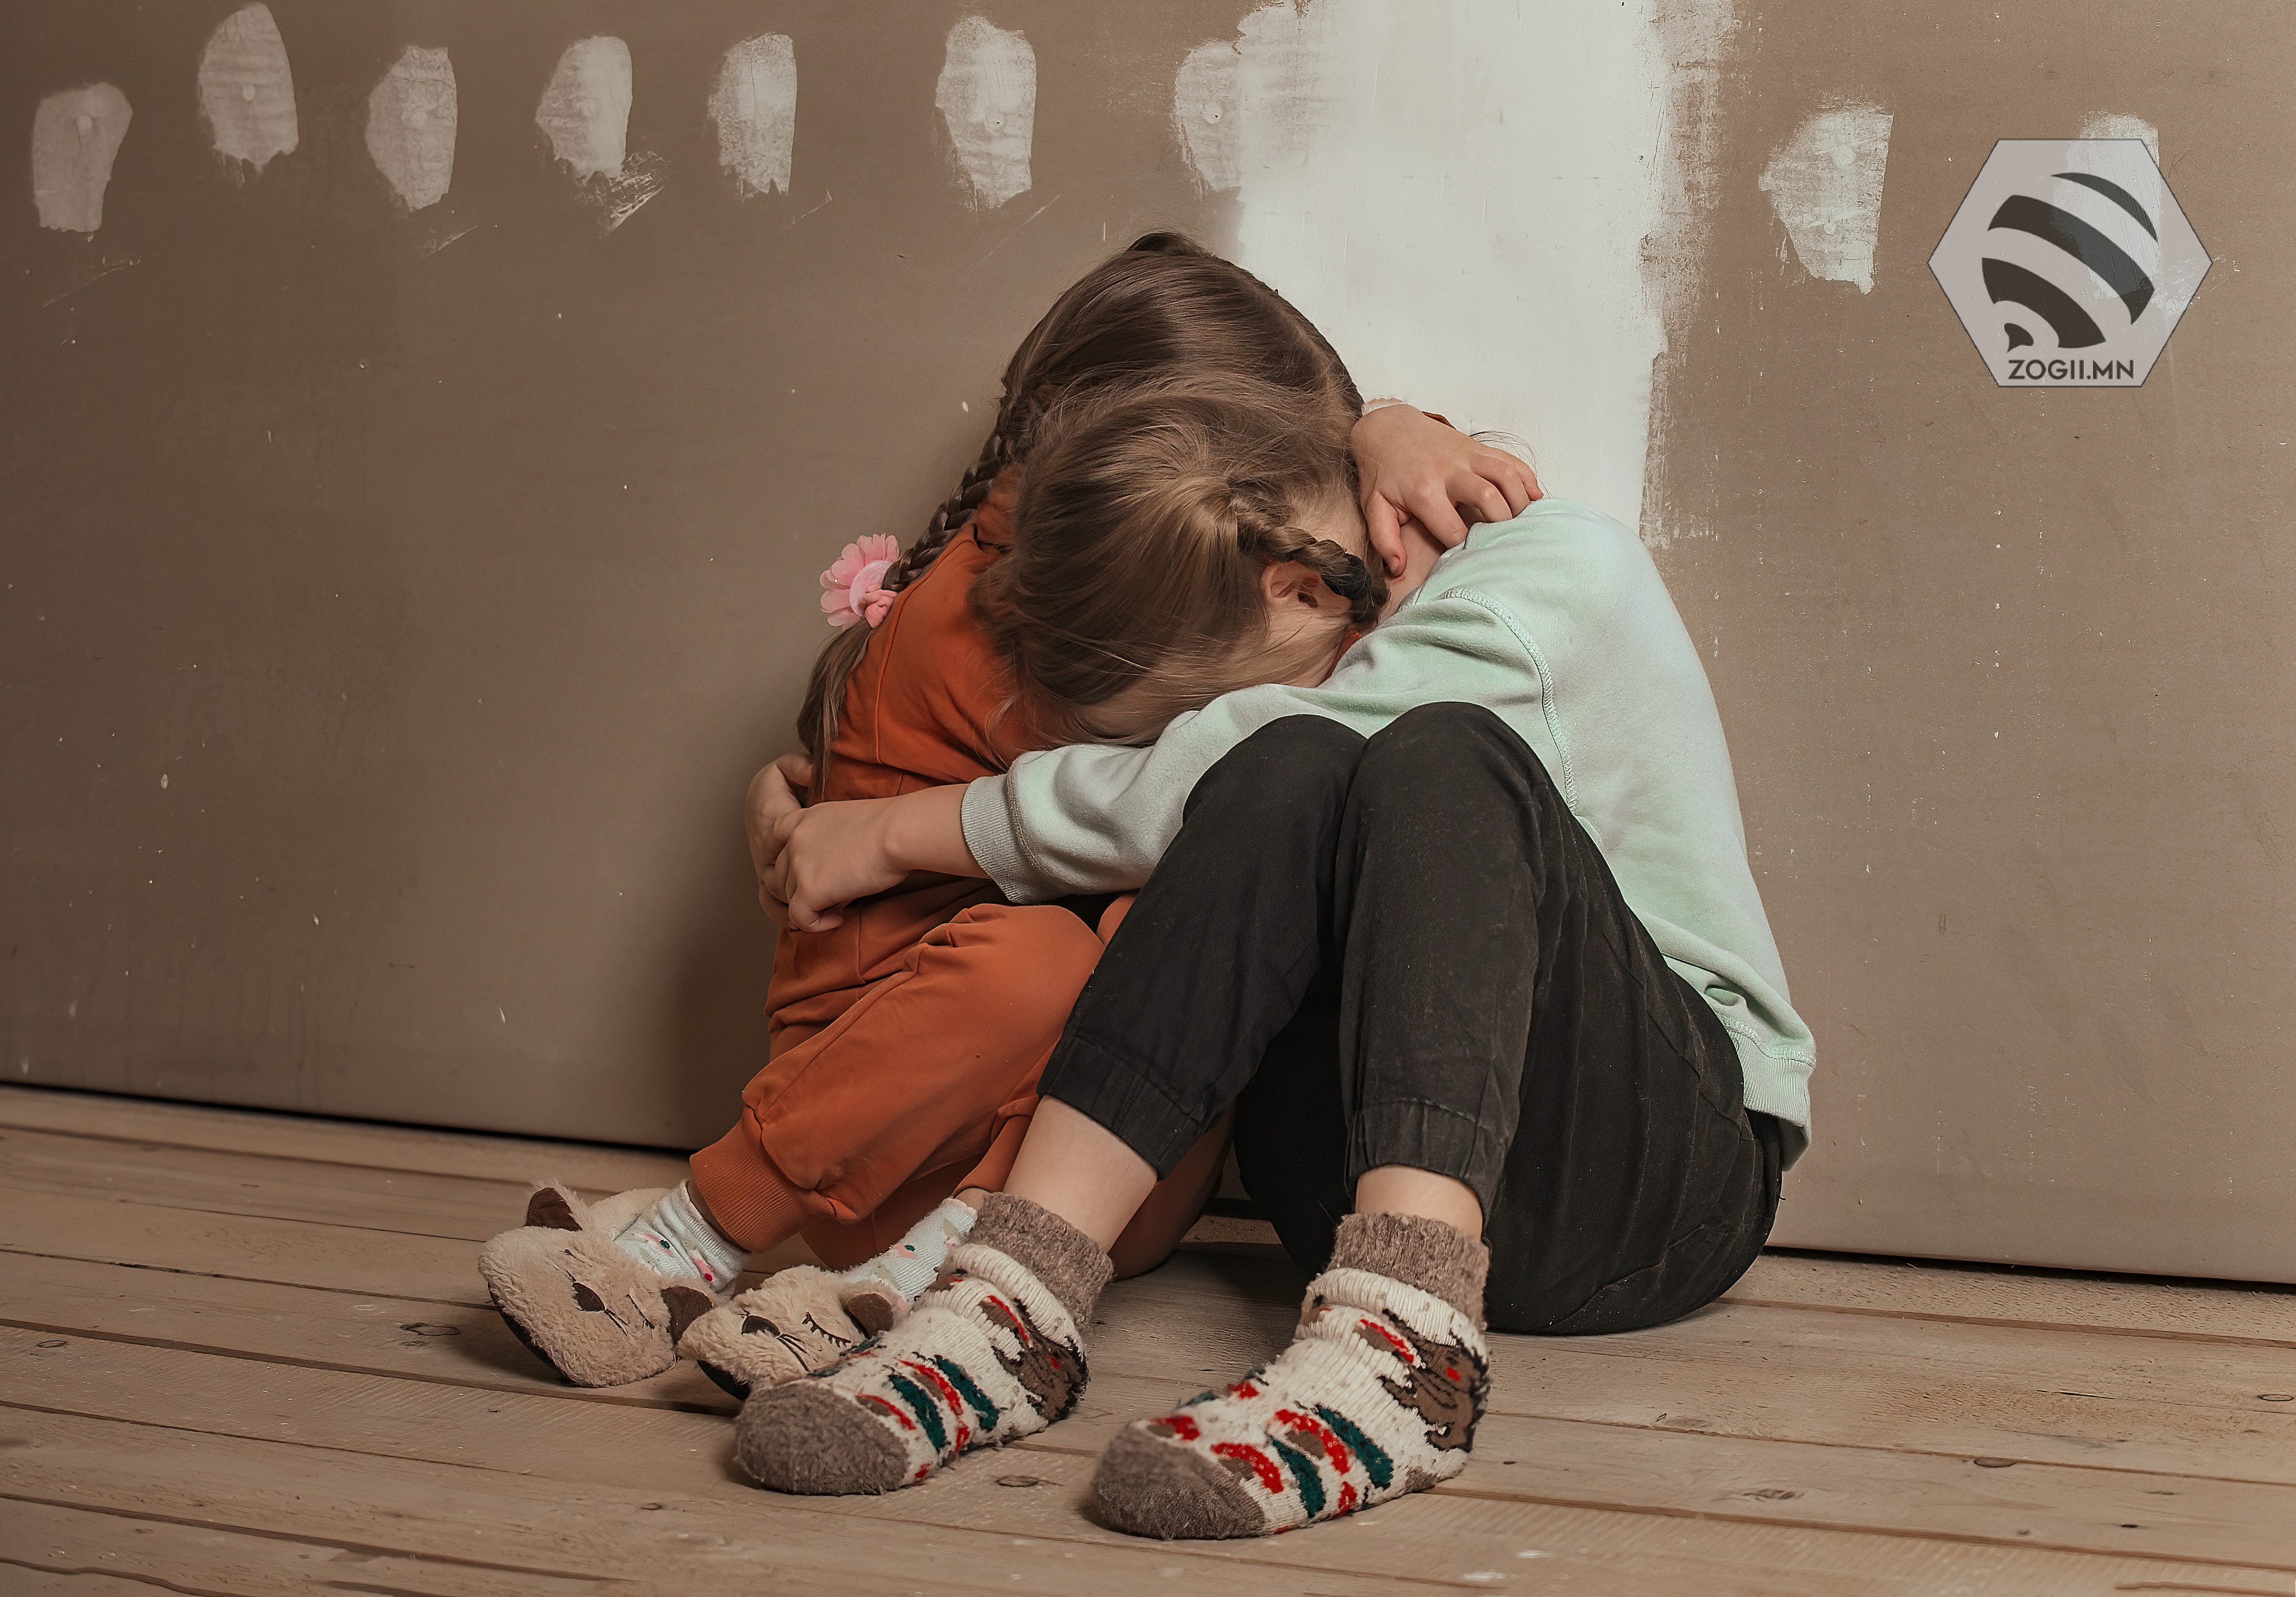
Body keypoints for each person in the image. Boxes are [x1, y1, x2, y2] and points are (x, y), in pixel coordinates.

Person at [730, 377, 1813, 1540]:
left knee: (1431, 755)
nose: (1193, 729)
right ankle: (1015, 1304)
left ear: (1300, 584)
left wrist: (897, 831)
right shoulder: (1322, 557)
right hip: (1340, 1188)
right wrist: (1381, 426)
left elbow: (1185, 777)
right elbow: (1253, 498)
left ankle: (1404, 1355)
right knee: (1285, 764)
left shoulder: (1555, 576)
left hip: (1654, 1186)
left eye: (1203, 703)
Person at [474, 234, 1540, 1396]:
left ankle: (932, 1273)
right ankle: (698, 1230)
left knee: (1178, 928)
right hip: (869, 1132)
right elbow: (1177, 792)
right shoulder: (1022, 625)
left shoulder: (1173, 592)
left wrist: (1389, 429)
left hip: (1090, 1193)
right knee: (1062, 945)